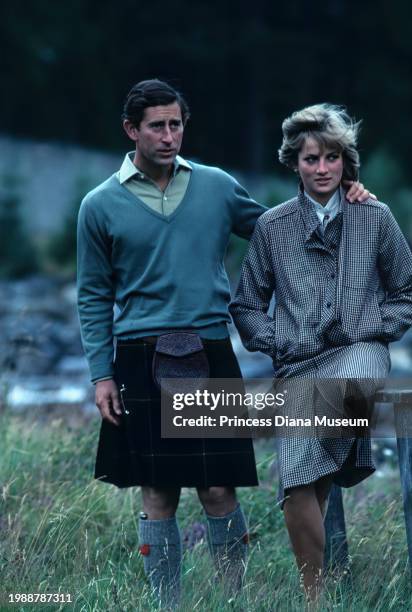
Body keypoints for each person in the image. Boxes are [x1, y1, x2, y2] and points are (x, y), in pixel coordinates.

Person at [77, 82, 373, 607]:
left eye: (176, 124)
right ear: (131, 130)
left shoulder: (215, 186)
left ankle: (230, 598)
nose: (169, 136)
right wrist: (102, 374)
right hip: (140, 354)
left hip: (209, 347)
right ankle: (166, 604)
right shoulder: (98, 206)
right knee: (158, 490)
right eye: (157, 126)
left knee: (218, 488)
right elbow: (93, 296)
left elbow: (283, 231)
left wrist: (346, 195)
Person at [230, 103, 412, 602]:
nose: (323, 168)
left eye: (332, 157)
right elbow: (246, 306)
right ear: (295, 162)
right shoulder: (272, 227)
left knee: (315, 429)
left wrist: (374, 327)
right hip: (298, 363)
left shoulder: (374, 216)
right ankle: (317, 597)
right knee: (297, 482)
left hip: (360, 355)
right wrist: (278, 340)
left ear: (345, 161)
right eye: (312, 158)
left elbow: (407, 290)